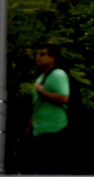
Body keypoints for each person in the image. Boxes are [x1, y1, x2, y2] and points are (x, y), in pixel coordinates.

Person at [25, 43, 70, 175]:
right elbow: (38, 106)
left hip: (56, 130)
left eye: (43, 54)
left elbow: (64, 97)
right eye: (38, 54)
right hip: (40, 131)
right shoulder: (41, 78)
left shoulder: (58, 74)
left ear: (53, 57)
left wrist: (42, 91)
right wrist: (30, 126)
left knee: (52, 169)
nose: (38, 57)